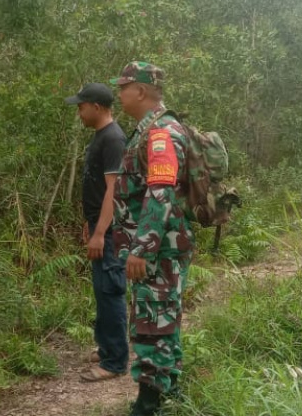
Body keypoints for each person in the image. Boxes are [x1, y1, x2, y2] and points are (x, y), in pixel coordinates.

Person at [111, 62, 194, 416]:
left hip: (157, 250)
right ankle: (169, 388)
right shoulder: (149, 131)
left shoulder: (161, 133)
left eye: (123, 87)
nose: (119, 95)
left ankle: (149, 403)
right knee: (164, 315)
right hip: (161, 247)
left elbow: (160, 190)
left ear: (141, 90)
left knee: (152, 321)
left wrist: (141, 248)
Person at [64, 82, 129, 382]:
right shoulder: (100, 137)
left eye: (81, 106)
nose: (79, 111)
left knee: (110, 289)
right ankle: (106, 348)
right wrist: (89, 223)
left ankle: (115, 361)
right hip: (98, 223)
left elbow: (113, 192)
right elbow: (96, 187)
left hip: (111, 229)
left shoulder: (113, 139)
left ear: (97, 107)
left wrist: (101, 232)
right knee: (101, 290)